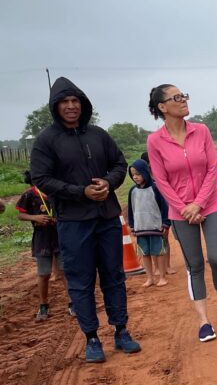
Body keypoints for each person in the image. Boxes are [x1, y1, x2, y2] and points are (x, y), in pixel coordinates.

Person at [30, 77, 141, 362]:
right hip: (73, 221)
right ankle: (91, 337)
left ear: (82, 104)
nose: (71, 106)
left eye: (75, 101)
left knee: (114, 275)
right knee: (80, 280)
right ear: (55, 107)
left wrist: (107, 183)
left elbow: (119, 163)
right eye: (65, 102)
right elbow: (41, 178)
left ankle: (121, 331)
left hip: (106, 217)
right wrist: (80, 192)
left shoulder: (98, 134)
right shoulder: (46, 141)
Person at [147, 84, 217, 341]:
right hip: (180, 212)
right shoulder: (155, 141)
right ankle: (203, 320)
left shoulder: (201, 131)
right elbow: (161, 180)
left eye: (184, 95)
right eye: (176, 98)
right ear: (162, 107)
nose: (183, 100)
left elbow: (213, 169)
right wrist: (183, 208)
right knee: (195, 265)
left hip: (210, 204)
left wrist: (198, 204)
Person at [16, 170, 61, 320]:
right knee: (44, 273)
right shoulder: (29, 195)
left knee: (66, 270)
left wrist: (57, 219)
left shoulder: (56, 192)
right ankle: (43, 306)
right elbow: (20, 215)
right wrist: (35, 217)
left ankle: (73, 304)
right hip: (42, 238)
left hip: (60, 236)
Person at [127, 159, 169, 288]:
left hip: (155, 227)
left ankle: (162, 277)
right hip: (141, 228)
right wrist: (132, 225)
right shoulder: (132, 191)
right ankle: (150, 277)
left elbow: (164, 207)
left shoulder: (156, 188)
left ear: (145, 172)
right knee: (144, 254)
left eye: (138, 174)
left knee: (159, 252)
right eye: (133, 174)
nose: (135, 177)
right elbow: (131, 209)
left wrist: (166, 223)